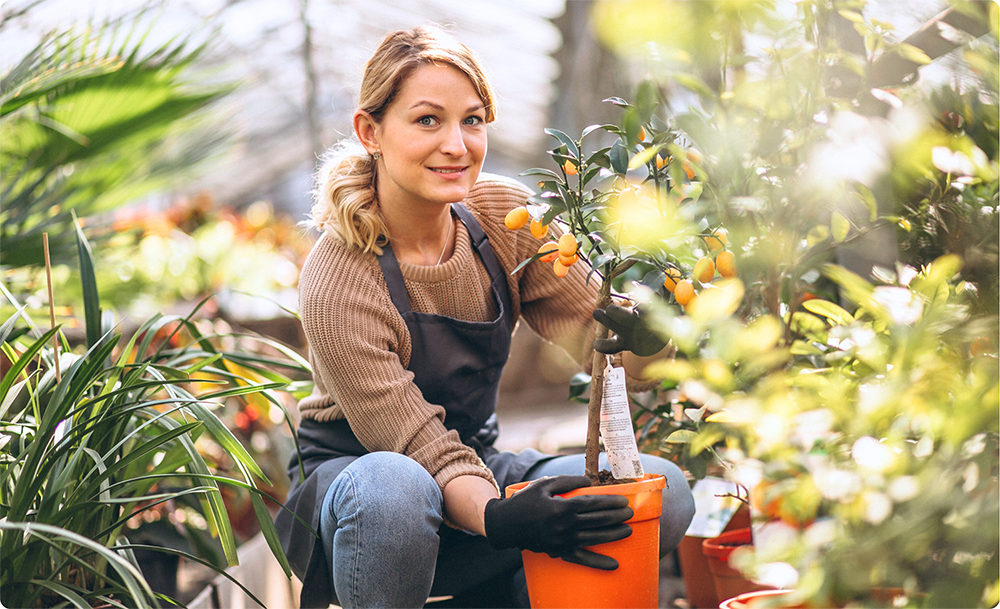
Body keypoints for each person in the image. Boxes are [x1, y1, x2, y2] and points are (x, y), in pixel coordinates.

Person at [274, 25, 695, 609]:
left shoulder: (504, 216)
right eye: (428, 120)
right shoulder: (339, 274)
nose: (457, 145)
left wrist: (646, 340)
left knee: (661, 491)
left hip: (476, 460)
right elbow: (416, 445)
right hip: (363, 489)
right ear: (370, 132)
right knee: (395, 489)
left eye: (472, 121)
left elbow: (612, 358)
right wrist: (502, 518)